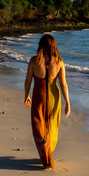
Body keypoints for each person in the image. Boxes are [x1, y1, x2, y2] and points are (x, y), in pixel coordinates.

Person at [24, 34, 71, 169]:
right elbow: (63, 85)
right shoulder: (59, 62)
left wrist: (26, 95)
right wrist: (67, 102)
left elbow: (28, 81)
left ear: (41, 45)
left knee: (38, 125)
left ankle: (45, 155)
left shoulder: (34, 61)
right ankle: (48, 153)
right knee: (52, 126)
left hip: (39, 95)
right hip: (54, 97)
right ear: (54, 46)